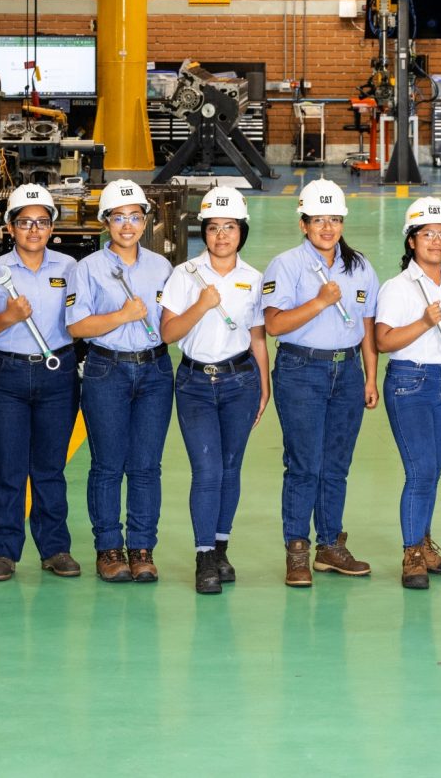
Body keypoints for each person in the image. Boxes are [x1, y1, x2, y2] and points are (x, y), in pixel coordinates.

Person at [262, 178, 380, 586]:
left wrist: (370, 377)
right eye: (318, 220)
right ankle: (297, 549)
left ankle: (329, 545)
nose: (327, 228)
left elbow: (367, 326)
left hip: (347, 372)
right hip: (301, 370)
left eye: (334, 219)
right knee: (303, 464)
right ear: (303, 224)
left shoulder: (360, 267)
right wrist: (318, 302)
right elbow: (274, 324)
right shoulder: (286, 265)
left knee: (336, 464)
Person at [0, 183, 82, 584]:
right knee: (8, 467)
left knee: (50, 467)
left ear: (52, 228)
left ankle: (55, 549)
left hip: (57, 374)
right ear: (10, 227)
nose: (34, 229)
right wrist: (7, 318)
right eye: (25, 222)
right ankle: (3, 551)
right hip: (6, 377)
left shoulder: (70, 268)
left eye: (42, 222)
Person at [159, 186, 268, 595]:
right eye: (213, 227)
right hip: (195, 384)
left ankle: (221, 548)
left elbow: (257, 338)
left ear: (242, 231)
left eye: (230, 227)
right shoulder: (184, 275)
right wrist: (201, 305)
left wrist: (264, 387)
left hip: (241, 382)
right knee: (207, 470)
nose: (221, 235)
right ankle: (204, 556)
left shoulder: (253, 279)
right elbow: (168, 333)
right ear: (202, 231)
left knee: (231, 468)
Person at [66, 179, 175, 584]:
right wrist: (121, 316)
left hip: (155, 371)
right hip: (106, 369)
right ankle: (109, 548)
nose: (127, 225)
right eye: (118, 217)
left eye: (134, 216)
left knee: (146, 466)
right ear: (105, 222)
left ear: (145, 221)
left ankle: (142, 548)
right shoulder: (88, 269)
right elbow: (77, 326)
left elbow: (171, 323)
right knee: (108, 465)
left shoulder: (162, 267)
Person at [374, 196, 441, 589]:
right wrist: (424, 323)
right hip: (409, 383)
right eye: (427, 234)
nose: (436, 241)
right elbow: (383, 341)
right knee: (421, 471)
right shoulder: (396, 288)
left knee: (433, 470)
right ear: (411, 241)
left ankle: (425, 545)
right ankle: (412, 554)